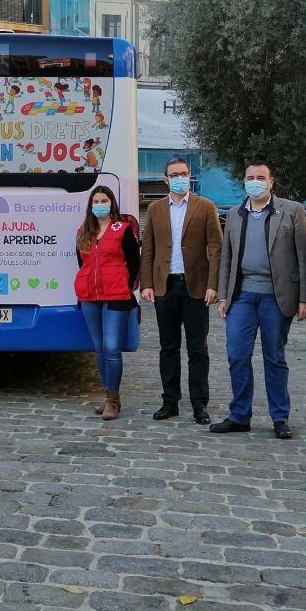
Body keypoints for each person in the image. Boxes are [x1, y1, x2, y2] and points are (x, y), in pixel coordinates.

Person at [214, 161, 306, 439]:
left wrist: (305, 297)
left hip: (276, 296)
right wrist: (223, 294)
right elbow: (227, 257)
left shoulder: (292, 210)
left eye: (261, 178)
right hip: (242, 296)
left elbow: (305, 256)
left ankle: (280, 417)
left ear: (271, 182)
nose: (255, 182)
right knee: (237, 355)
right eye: (250, 177)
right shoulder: (234, 214)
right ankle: (239, 415)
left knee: (275, 357)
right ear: (243, 181)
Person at [139, 157, 223, 424]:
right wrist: (147, 284)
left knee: (198, 348)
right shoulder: (154, 209)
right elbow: (148, 248)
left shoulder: (206, 207)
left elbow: (216, 248)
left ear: (190, 177)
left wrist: (213, 284)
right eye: (174, 174)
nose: (179, 177)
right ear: (165, 179)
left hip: (196, 286)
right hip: (165, 285)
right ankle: (170, 401)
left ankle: (199, 404)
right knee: (168, 347)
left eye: (184, 173)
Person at [74, 186, 140, 421]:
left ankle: (113, 399)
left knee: (112, 347)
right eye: (96, 200)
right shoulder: (84, 232)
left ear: (112, 203)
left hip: (116, 295)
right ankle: (109, 395)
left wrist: (123, 283)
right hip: (89, 296)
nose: (100, 204)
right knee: (99, 347)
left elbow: (134, 262)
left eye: (104, 200)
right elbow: (81, 263)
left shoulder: (122, 229)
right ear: (90, 205)